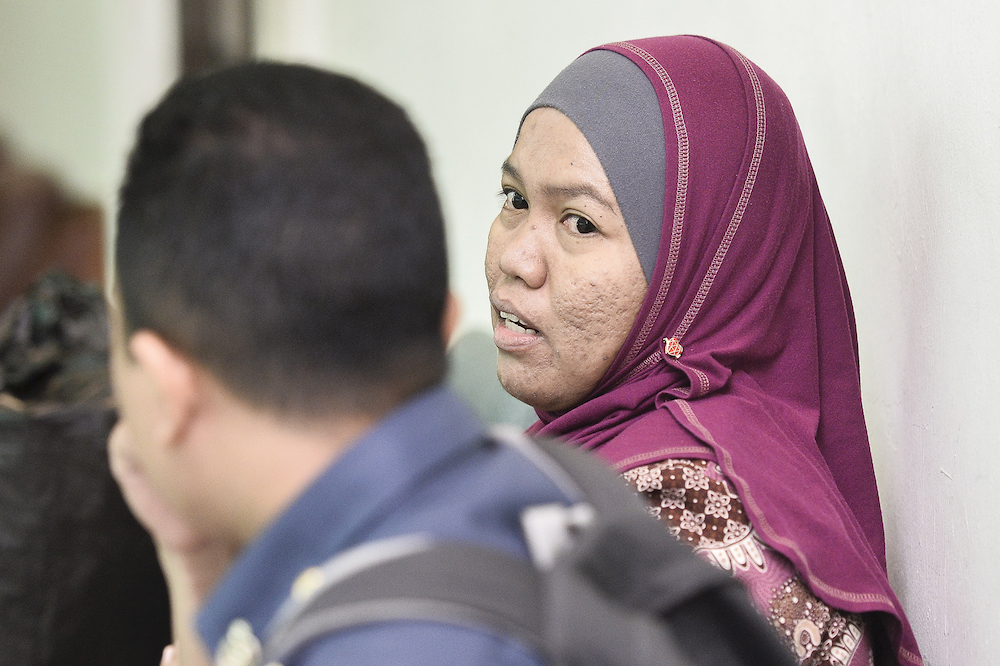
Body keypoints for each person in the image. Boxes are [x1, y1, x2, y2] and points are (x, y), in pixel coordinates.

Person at [107, 62, 579, 666]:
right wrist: (195, 558)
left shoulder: (380, 645)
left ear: (169, 392)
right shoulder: (566, 493)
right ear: (443, 323)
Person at [485, 35, 923, 666]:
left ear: (697, 271)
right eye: (514, 199)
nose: (515, 258)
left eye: (580, 223)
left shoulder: (687, 532)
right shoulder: (588, 448)